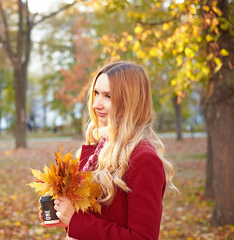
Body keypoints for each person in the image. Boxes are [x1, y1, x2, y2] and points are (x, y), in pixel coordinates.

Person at [40, 61, 178, 239]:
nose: (97, 104)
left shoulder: (143, 159)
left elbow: (142, 237)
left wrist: (76, 221)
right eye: (96, 93)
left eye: (108, 96)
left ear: (131, 101)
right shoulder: (100, 147)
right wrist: (65, 217)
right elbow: (98, 220)